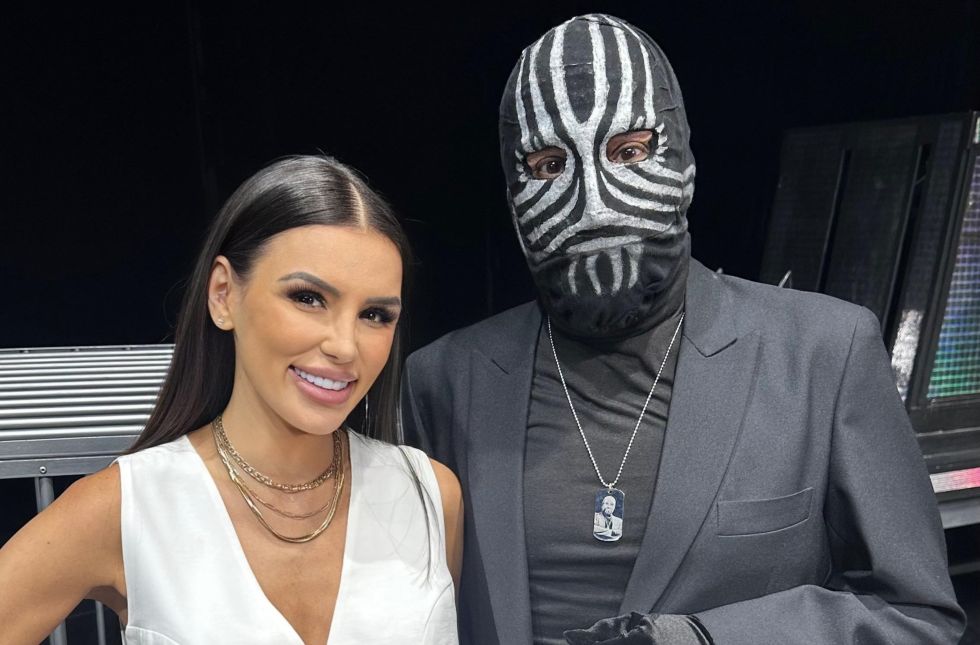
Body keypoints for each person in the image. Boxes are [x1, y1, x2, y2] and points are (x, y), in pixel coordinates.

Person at [401, 14, 965, 645]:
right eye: (549, 164)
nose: (594, 204)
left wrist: (702, 639)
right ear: (513, 199)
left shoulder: (823, 355)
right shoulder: (444, 381)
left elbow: (915, 615)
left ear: (685, 167)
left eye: (629, 152)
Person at [0, 155, 463, 644]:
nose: (345, 346)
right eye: (308, 298)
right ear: (223, 295)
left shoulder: (430, 497)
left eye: (375, 315)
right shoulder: (128, 507)